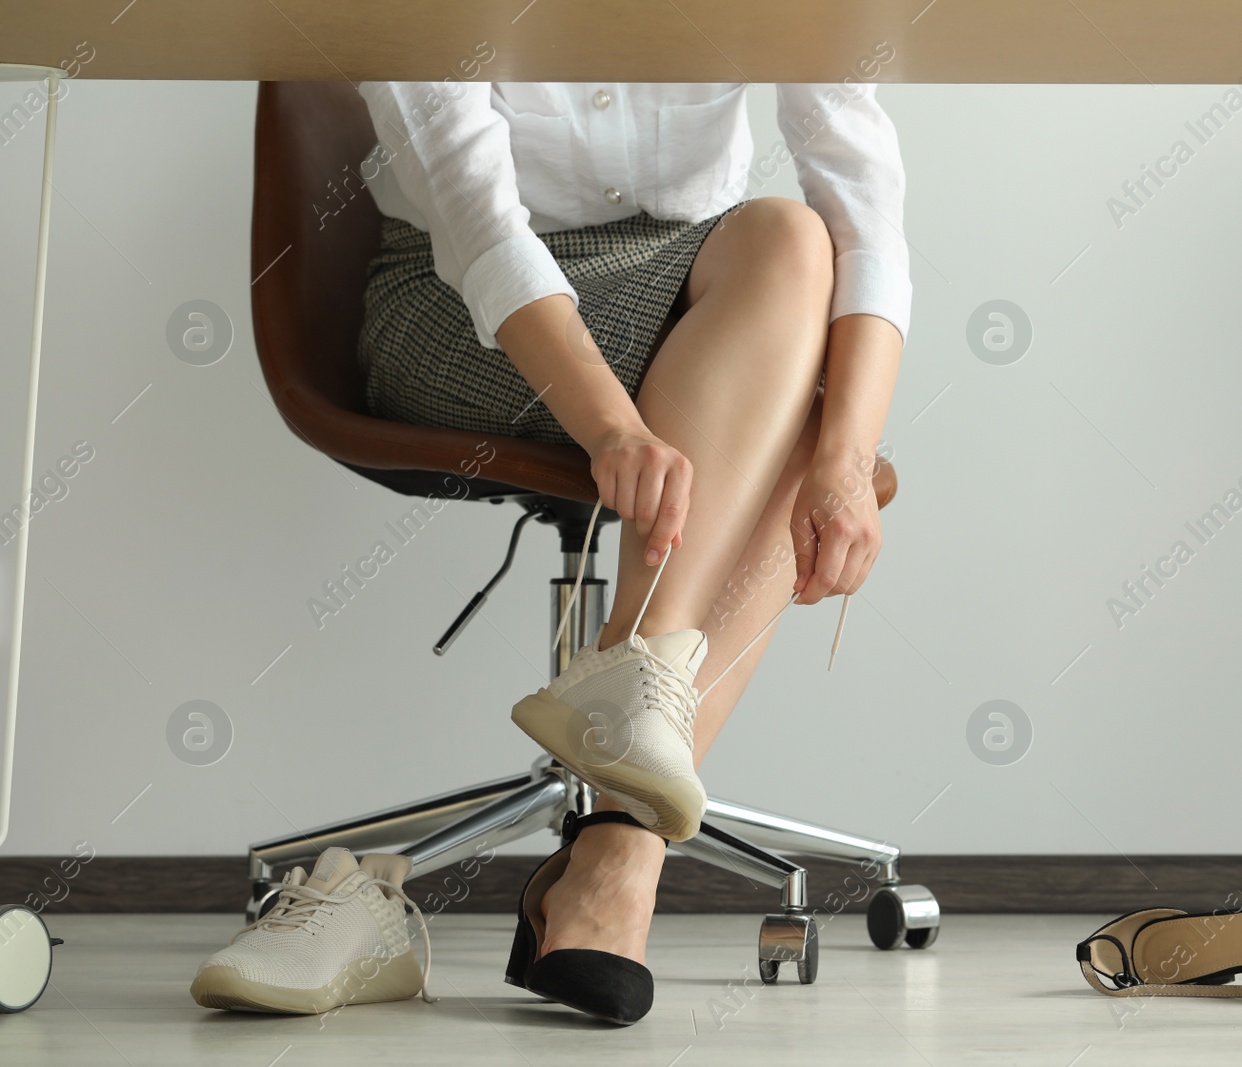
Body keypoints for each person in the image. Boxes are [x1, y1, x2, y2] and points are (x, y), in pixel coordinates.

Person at [189, 75, 911, 1023]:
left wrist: (848, 464)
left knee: (789, 241)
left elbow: (862, 199)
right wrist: (611, 427)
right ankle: (617, 855)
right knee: (784, 400)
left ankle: (619, 838)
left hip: (695, 284)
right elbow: (480, 227)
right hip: (459, 299)